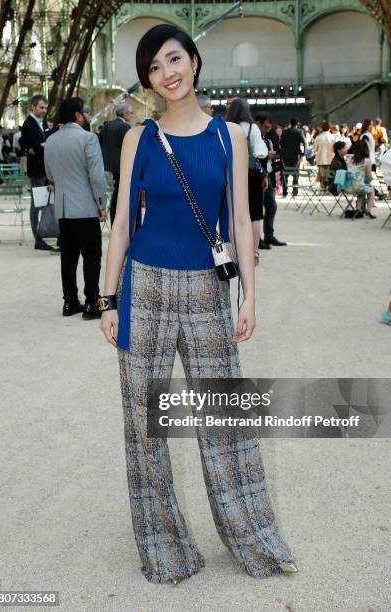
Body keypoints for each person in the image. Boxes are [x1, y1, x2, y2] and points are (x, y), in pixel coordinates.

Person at [99, 23, 297, 585]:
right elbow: (119, 228)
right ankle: (163, 544)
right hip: (146, 287)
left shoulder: (229, 137)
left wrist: (249, 296)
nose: (168, 73)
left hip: (208, 292)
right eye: (154, 68)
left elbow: (239, 220)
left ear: (193, 59)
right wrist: (108, 298)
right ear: (149, 81)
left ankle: (252, 536)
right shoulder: (138, 138)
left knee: (225, 421)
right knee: (145, 425)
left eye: (173, 58)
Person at [44, 97, 107, 318]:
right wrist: (102, 203)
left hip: (62, 207)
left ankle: (70, 302)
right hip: (86, 207)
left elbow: (50, 175)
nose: (88, 115)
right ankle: (92, 303)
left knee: (68, 257)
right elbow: (97, 176)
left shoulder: (50, 141)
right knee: (92, 255)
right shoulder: (88, 138)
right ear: (78, 115)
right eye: (85, 111)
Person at [226, 97, 268, 264]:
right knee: (255, 214)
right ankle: (254, 253)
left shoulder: (226, 127)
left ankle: (236, 252)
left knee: (233, 212)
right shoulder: (253, 128)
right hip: (251, 174)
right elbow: (260, 152)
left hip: (231, 172)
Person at [21, 94, 59, 251]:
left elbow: (42, 143)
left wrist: (40, 146)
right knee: (36, 204)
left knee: (47, 203)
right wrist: (39, 147)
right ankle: (38, 239)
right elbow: (35, 146)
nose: (44, 110)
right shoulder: (28, 124)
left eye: (45, 107)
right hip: (37, 170)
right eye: (41, 107)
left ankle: (47, 233)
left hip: (45, 168)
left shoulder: (42, 122)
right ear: (33, 107)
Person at [256, 115, 287, 247]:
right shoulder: (253, 138)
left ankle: (269, 235)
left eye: (270, 127)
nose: (268, 130)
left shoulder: (267, 139)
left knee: (272, 206)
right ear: (258, 123)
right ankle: (257, 239)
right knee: (257, 210)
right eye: (266, 127)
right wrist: (266, 155)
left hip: (267, 174)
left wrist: (272, 156)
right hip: (257, 175)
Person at [101, 103, 133, 226]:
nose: (131, 115)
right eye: (131, 113)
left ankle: (114, 221)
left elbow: (99, 141)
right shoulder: (124, 127)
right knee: (120, 195)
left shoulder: (107, 125)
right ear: (125, 114)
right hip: (122, 167)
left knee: (115, 194)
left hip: (107, 166)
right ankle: (119, 223)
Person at [345, 140, 375, 218]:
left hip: (347, 187)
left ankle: (358, 210)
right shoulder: (367, 161)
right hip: (359, 187)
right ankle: (368, 210)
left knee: (362, 188)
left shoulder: (348, 159)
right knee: (371, 189)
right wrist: (372, 179)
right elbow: (369, 177)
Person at [280, 118, 306, 196]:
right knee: (295, 173)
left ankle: (285, 191)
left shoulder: (284, 132)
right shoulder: (300, 131)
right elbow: (304, 143)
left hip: (286, 155)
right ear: (297, 124)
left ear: (290, 123)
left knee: (285, 174)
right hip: (296, 155)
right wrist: (303, 153)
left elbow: (281, 143)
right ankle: (295, 191)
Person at [313, 121, 335, 189]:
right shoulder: (332, 137)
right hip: (330, 158)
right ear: (330, 128)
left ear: (322, 128)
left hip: (321, 159)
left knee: (321, 175)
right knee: (328, 175)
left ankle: (322, 189)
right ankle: (329, 188)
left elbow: (315, 149)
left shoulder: (318, 137)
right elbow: (335, 148)